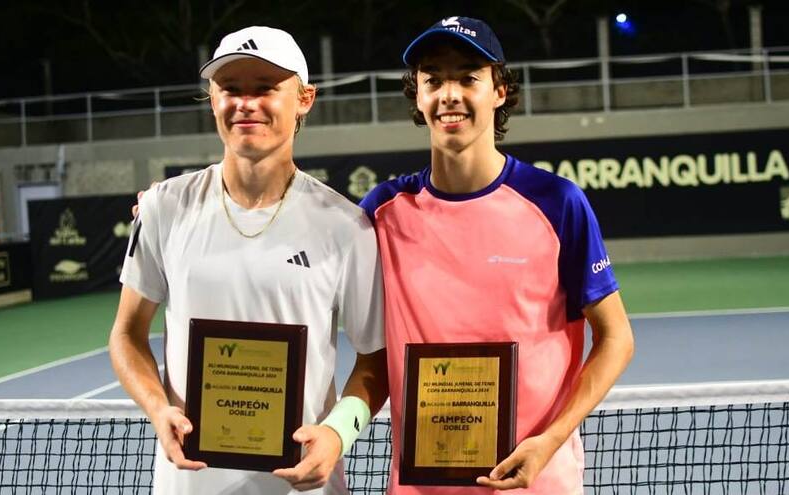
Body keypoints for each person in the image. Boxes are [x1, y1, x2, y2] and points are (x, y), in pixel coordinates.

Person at [359, 17, 635, 493]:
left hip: (537, 482)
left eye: (468, 77)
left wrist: (549, 441)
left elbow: (616, 338)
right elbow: (366, 355)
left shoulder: (557, 202)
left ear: (499, 91)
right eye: (433, 79)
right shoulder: (381, 213)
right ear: (418, 96)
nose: (449, 93)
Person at [110, 26, 388, 495]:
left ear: (304, 99)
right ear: (211, 99)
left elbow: (375, 359)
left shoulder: (347, 227)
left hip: (303, 486)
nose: (246, 103)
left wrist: (339, 433)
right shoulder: (163, 207)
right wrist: (159, 410)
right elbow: (126, 334)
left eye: (265, 89)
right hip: (188, 484)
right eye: (231, 89)